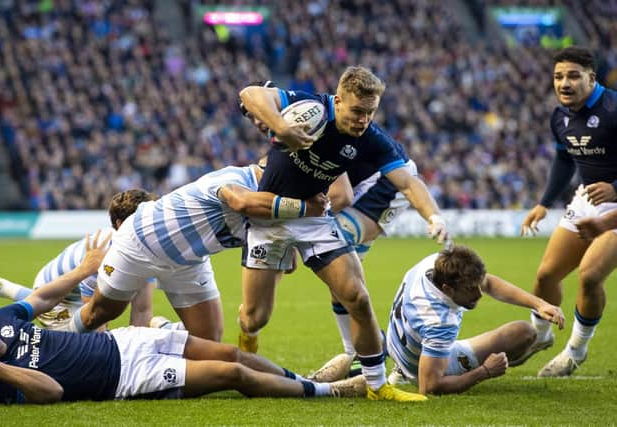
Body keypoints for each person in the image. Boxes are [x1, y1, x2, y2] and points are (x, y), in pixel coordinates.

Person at [237, 66, 448, 401]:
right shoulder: (312, 109)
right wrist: (283, 129)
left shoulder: (372, 139)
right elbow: (249, 94)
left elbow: (407, 182)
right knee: (254, 318)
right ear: (338, 101)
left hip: (315, 218)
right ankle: (246, 356)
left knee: (357, 297)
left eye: (370, 112)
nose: (363, 119)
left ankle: (377, 386)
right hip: (270, 220)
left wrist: (433, 216)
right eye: (357, 111)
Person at [0, 232, 374, 403]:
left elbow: (41, 298)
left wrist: (84, 270)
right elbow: (53, 393)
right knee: (231, 376)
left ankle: (305, 381)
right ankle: (330, 391)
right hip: (127, 379)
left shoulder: (1, 320)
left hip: (123, 342)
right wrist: (0, 368)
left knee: (230, 354)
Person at [67, 163, 328, 341]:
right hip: (140, 242)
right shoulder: (236, 179)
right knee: (98, 314)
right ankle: (56, 340)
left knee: (209, 340)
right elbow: (241, 203)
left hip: (189, 263)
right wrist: (307, 208)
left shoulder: (279, 208)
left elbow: (287, 263)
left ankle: (161, 330)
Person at [311, 246, 564, 396]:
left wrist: (539, 303)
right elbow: (429, 387)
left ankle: (364, 370)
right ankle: (393, 373)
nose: (479, 294)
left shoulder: (435, 263)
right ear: (447, 288)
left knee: (522, 330)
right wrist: (484, 372)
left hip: (399, 341)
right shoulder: (439, 321)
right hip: (418, 363)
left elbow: (487, 282)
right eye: (470, 290)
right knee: (524, 334)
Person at [520, 46, 617, 377]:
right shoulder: (559, 116)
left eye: (574, 75)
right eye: (558, 76)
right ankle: (540, 336)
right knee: (546, 276)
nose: (564, 83)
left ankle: (575, 351)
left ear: (591, 78)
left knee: (589, 276)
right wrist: (544, 202)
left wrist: (615, 188)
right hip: (587, 199)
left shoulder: (613, 108)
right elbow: (564, 159)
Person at [0, 189, 157, 331]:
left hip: (71, 292)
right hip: (54, 290)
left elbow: (142, 311)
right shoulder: (102, 253)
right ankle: (6, 289)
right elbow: (93, 318)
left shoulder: (145, 249)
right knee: (78, 345)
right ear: (120, 224)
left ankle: (0, 286)